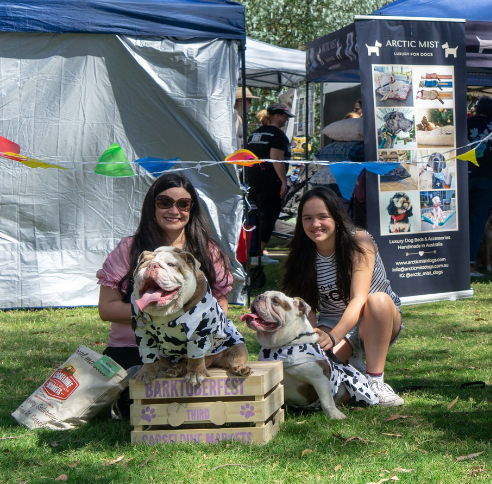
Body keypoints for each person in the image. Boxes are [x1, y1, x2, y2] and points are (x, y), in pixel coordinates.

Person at [96, 174, 234, 412]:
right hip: (132, 348)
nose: (174, 210)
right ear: (152, 206)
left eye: (183, 204)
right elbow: (106, 308)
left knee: (201, 403)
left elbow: (220, 303)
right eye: (164, 202)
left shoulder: (207, 250)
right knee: (139, 407)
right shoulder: (129, 249)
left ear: (192, 209)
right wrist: (154, 306)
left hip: (191, 350)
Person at [279, 187, 405, 405]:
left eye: (322, 217)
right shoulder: (302, 254)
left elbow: (359, 300)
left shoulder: (360, 241)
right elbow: (305, 308)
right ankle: (352, 373)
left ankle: (376, 382)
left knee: (378, 300)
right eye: (307, 218)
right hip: (332, 321)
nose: (315, 224)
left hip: (373, 318)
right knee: (318, 366)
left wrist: (334, 337)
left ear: (336, 218)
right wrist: (309, 341)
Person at [245, 103, 293, 287]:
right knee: (269, 216)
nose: (286, 120)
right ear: (276, 115)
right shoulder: (277, 135)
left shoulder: (255, 133)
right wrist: (283, 181)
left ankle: (252, 251)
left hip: (253, 180)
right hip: (270, 181)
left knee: (254, 217)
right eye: (285, 116)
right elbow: (276, 159)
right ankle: (259, 253)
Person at [465, 96, 492, 278]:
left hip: (464, 177)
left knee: (461, 222)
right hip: (487, 180)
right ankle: (470, 266)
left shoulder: (465, 124)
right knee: (477, 222)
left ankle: (457, 262)